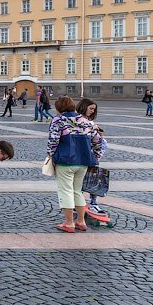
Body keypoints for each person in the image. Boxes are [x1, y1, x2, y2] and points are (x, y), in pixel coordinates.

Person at [46, 96, 106, 232]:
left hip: (65, 161)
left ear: (58, 108)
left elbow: (53, 141)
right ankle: (81, 221)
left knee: (66, 191)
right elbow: (98, 141)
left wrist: (51, 157)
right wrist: (95, 157)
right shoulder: (85, 121)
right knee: (77, 191)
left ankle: (68, 223)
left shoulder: (58, 120)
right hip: (83, 161)